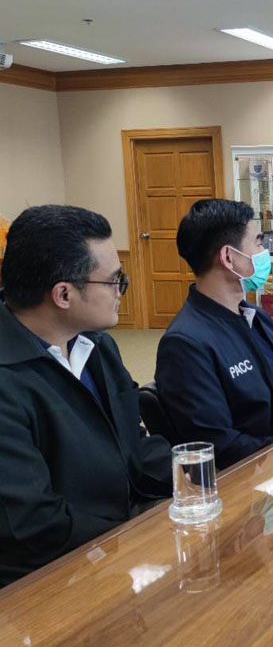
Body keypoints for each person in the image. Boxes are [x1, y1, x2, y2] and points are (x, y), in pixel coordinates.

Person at [0, 205, 172, 586]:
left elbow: (134, 446)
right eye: (114, 281)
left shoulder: (97, 346)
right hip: (53, 580)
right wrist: (143, 540)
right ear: (63, 294)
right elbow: (33, 525)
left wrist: (201, 478)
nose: (121, 291)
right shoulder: (7, 379)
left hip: (119, 548)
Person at [155, 199, 273, 469]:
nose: (264, 252)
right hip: (271, 469)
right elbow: (219, 445)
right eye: (258, 243)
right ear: (228, 257)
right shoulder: (186, 344)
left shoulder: (256, 317)